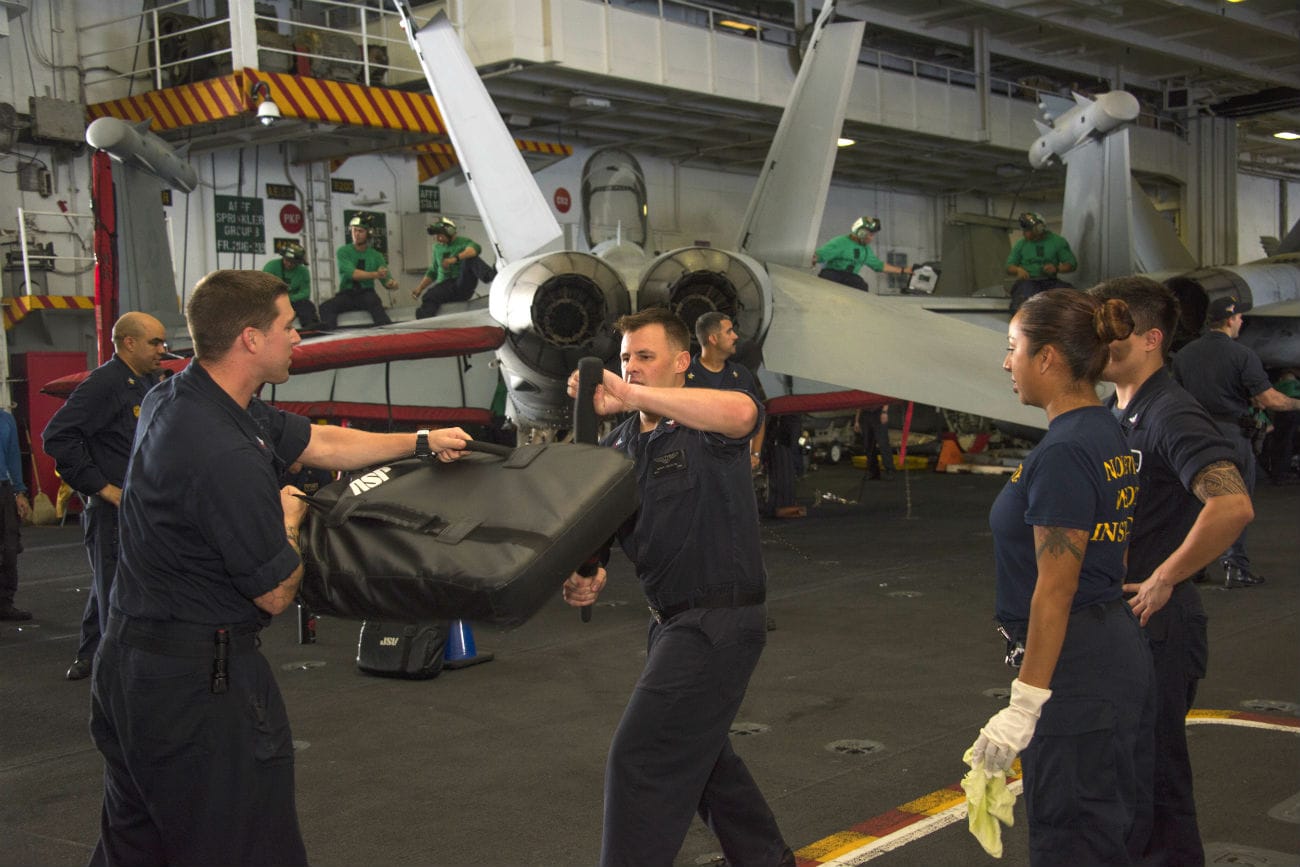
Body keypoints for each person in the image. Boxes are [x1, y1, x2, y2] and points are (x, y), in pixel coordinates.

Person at [88, 270, 471, 866]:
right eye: (289, 326)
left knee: (138, 849)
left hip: (133, 668)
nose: (299, 337)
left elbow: (317, 442)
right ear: (249, 338)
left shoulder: (184, 397)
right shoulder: (223, 453)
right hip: (198, 689)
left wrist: (419, 441)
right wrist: (288, 515)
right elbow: (275, 591)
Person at [562, 307, 794, 867]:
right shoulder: (618, 447)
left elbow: (744, 413)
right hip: (668, 625)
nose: (631, 369)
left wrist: (633, 396)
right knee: (708, 765)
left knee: (640, 758)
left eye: (645, 357)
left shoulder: (704, 421)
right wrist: (586, 572)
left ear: (683, 363)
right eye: (625, 359)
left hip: (717, 623)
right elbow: (604, 532)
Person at [969, 289, 1155, 866]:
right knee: (1101, 832)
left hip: (1076, 665)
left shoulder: (1064, 452)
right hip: (1108, 651)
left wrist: (1023, 706)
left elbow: (1056, 587)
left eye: (1013, 348)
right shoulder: (1106, 432)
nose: (1007, 363)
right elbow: (1114, 553)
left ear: (1047, 357)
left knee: (1072, 841)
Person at [1092, 277, 1254, 867]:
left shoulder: (1170, 412)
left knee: (1157, 788)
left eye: (1111, 331)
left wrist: (1166, 576)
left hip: (1159, 624)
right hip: (1123, 623)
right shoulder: (1118, 411)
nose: (1097, 341)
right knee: (1126, 784)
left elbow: (1232, 504)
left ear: (1151, 339)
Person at [42, 312, 169, 681]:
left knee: (111, 585)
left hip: (138, 507)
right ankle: (116, 674)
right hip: (112, 510)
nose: (163, 350)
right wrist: (102, 487)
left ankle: (90, 654)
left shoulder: (143, 383)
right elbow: (58, 436)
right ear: (128, 342)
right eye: (155, 343)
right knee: (116, 588)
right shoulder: (104, 384)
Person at [1171, 294, 1300, 586]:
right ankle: (1235, 566)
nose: (1241, 321)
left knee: (1197, 501)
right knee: (1235, 501)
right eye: (1240, 317)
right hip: (1231, 435)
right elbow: (1270, 399)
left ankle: (1195, 567)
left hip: (1193, 434)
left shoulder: (1184, 355)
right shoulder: (1242, 355)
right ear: (1230, 320)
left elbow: (1175, 397)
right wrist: (1296, 404)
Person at [686, 312, 764, 472]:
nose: (735, 336)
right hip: (696, 470)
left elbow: (759, 416)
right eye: (729, 332)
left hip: (735, 468)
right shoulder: (683, 378)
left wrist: (755, 453)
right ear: (713, 339)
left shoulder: (742, 375)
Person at [318, 212, 395, 330]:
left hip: (366, 293)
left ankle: (388, 335)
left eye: (360, 231)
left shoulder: (376, 256)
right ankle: (331, 338)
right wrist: (376, 274)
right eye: (354, 230)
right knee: (325, 307)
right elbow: (354, 274)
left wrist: (392, 284)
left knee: (375, 305)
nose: (356, 234)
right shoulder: (343, 252)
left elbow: (387, 280)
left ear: (368, 233)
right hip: (347, 294)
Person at [411, 217, 496, 318]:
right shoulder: (437, 248)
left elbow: (475, 250)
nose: (438, 238)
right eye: (436, 236)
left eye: (440, 235)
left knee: (470, 259)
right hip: (445, 287)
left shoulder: (463, 242)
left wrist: (455, 259)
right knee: (429, 296)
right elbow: (433, 271)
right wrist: (420, 288)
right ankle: (423, 322)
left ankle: (495, 278)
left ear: (450, 233)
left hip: (462, 284)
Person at [813, 216, 912, 292]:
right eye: (870, 235)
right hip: (833, 273)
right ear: (860, 233)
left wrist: (904, 270)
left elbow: (878, 265)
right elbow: (820, 255)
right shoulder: (840, 242)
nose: (872, 238)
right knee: (828, 278)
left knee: (861, 285)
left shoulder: (866, 250)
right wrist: (812, 259)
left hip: (850, 277)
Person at [1005, 212, 1077, 314]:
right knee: (1023, 304)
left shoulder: (1057, 242)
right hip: (1029, 281)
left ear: (1040, 227)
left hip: (1050, 281)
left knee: (1072, 298)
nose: (1026, 233)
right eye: (1024, 230)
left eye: (1029, 230)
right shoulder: (1021, 244)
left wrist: (1056, 268)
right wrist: (1018, 269)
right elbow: (1008, 267)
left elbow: (1071, 264)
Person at [0, 408, 32, 621]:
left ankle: (5, 603)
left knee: (9, 549)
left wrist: (19, 491)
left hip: (3, 489)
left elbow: (13, 457)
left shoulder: (6, 420)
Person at [263, 242, 317, 329]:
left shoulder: (303, 271)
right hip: (273, 301)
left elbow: (305, 292)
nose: (289, 264)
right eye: (286, 260)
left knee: (307, 306)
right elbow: (264, 288)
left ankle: (311, 329)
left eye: (293, 262)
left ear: (299, 262)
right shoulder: (271, 266)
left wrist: (290, 298)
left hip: (293, 301)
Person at [1263, 369, 1300, 483]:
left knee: (1283, 442)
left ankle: (1279, 474)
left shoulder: (1278, 385)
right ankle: (1281, 474)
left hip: (1283, 412)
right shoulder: (1293, 385)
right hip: (1291, 411)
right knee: (1286, 442)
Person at [853, 402, 894, 479]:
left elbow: (886, 397)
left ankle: (889, 470)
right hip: (865, 414)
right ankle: (873, 472)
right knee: (868, 444)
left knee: (883, 443)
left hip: (878, 412)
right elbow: (859, 404)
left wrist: (884, 411)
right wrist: (856, 421)